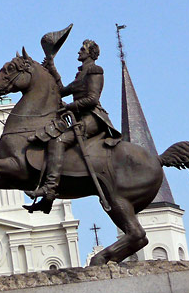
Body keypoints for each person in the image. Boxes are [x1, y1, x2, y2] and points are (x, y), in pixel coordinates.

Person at [25, 39, 119, 214]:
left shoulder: (95, 70)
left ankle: (49, 188)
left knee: (58, 141)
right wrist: (52, 68)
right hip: (78, 117)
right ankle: (48, 198)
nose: (78, 52)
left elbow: (92, 99)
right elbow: (61, 90)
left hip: (92, 118)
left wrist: (69, 107)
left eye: (82, 49)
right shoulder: (80, 74)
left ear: (90, 53)